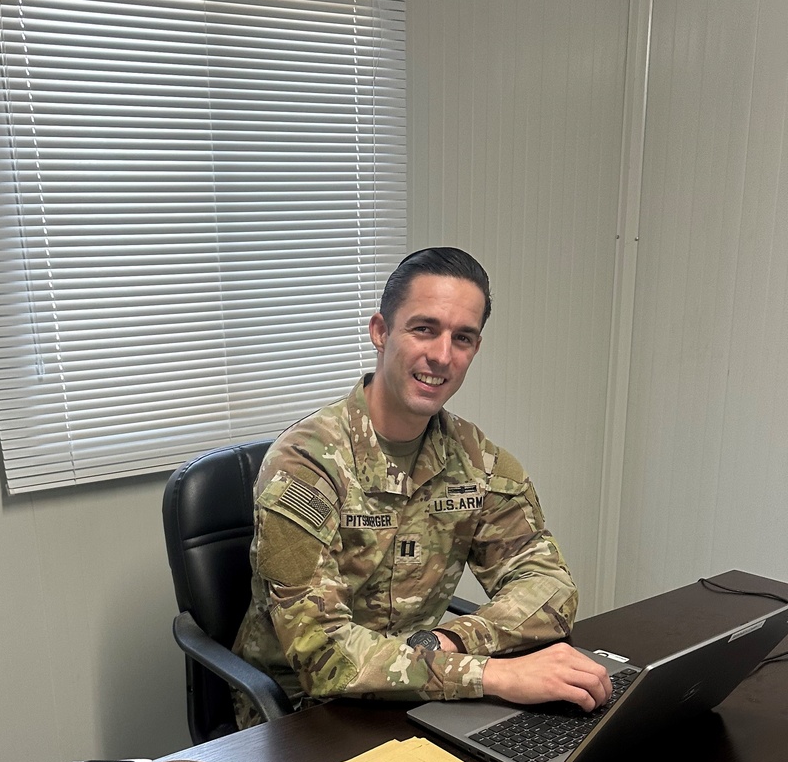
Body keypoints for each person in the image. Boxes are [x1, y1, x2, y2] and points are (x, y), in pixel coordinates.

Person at [232, 247, 611, 727]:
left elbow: (550, 586)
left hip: (426, 691)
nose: (442, 355)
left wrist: (454, 642)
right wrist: (494, 675)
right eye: (424, 328)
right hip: (302, 712)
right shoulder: (305, 464)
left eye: (463, 338)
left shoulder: (477, 460)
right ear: (380, 331)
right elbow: (323, 657)